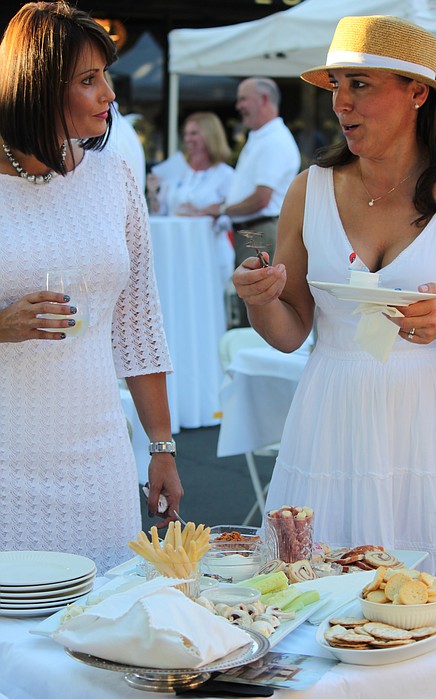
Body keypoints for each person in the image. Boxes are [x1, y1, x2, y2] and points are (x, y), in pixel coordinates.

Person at [233, 15, 436, 578]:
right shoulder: (310, 189)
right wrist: (260, 299)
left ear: (418, 93)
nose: (341, 103)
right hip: (333, 426)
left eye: (360, 84)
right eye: (336, 86)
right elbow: (290, 332)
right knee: (315, 600)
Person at [0, 1, 183, 574]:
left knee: (105, 621)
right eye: (88, 79)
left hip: (98, 449)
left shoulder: (113, 174)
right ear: (36, 89)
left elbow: (137, 319)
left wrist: (161, 447)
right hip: (8, 453)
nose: (109, 93)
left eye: (105, 74)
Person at [202, 77, 301, 326]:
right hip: (254, 230)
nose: (238, 105)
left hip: (260, 232)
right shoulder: (263, 137)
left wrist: (223, 210)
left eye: (243, 98)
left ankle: (254, 356)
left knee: (257, 302)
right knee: (251, 300)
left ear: (264, 100)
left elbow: (261, 197)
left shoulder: (274, 140)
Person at [146, 111, 234, 218]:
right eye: (186, 134)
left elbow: (230, 218)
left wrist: (206, 213)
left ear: (211, 136)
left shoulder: (226, 175)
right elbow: (160, 213)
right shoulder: (177, 168)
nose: (187, 139)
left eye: (193, 133)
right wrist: (152, 193)